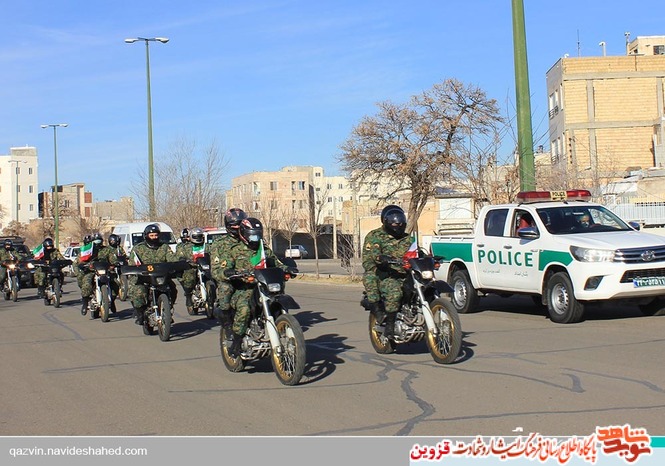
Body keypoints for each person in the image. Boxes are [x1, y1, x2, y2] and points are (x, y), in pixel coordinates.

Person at [220, 217, 291, 358]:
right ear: (243, 234)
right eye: (252, 235)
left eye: (258, 235)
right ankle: (236, 341)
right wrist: (231, 272)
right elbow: (222, 269)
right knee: (244, 308)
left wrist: (287, 269)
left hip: (264, 286)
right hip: (243, 289)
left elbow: (275, 262)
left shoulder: (263, 248)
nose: (255, 238)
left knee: (279, 302)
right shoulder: (234, 250)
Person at [361, 205, 412, 340]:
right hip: (382, 272)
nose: (398, 224)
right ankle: (389, 324)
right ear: (385, 221)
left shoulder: (408, 238)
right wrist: (382, 259)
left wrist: (427, 257)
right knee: (393, 290)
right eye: (394, 222)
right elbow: (373, 256)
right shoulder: (375, 236)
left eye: (400, 221)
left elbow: (416, 251)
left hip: (404, 272)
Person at [127, 223, 178, 325]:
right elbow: (132, 263)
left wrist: (177, 264)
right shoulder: (138, 248)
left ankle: (167, 311)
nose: (154, 237)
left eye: (156, 235)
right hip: (144, 278)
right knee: (138, 292)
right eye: (152, 235)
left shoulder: (164, 247)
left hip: (161, 277)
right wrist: (135, 270)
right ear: (146, 236)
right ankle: (140, 313)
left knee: (172, 288)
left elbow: (172, 259)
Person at [209, 207, 248, 327]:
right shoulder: (219, 244)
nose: (237, 228)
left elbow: (266, 256)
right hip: (232, 279)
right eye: (234, 225)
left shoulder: (251, 239)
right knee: (225, 288)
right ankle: (228, 325)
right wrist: (226, 273)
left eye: (240, 225)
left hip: (251, 277)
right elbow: (215, 270)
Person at [175, 226, 205, 314]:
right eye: (185, 238)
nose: (187, 239)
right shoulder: (181, 247)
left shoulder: (202, 245)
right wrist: (183, 260)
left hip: (202, 266)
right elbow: (179, 256)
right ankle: (189, 296)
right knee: (189, 277)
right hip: (189, 267)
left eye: (188, 237)